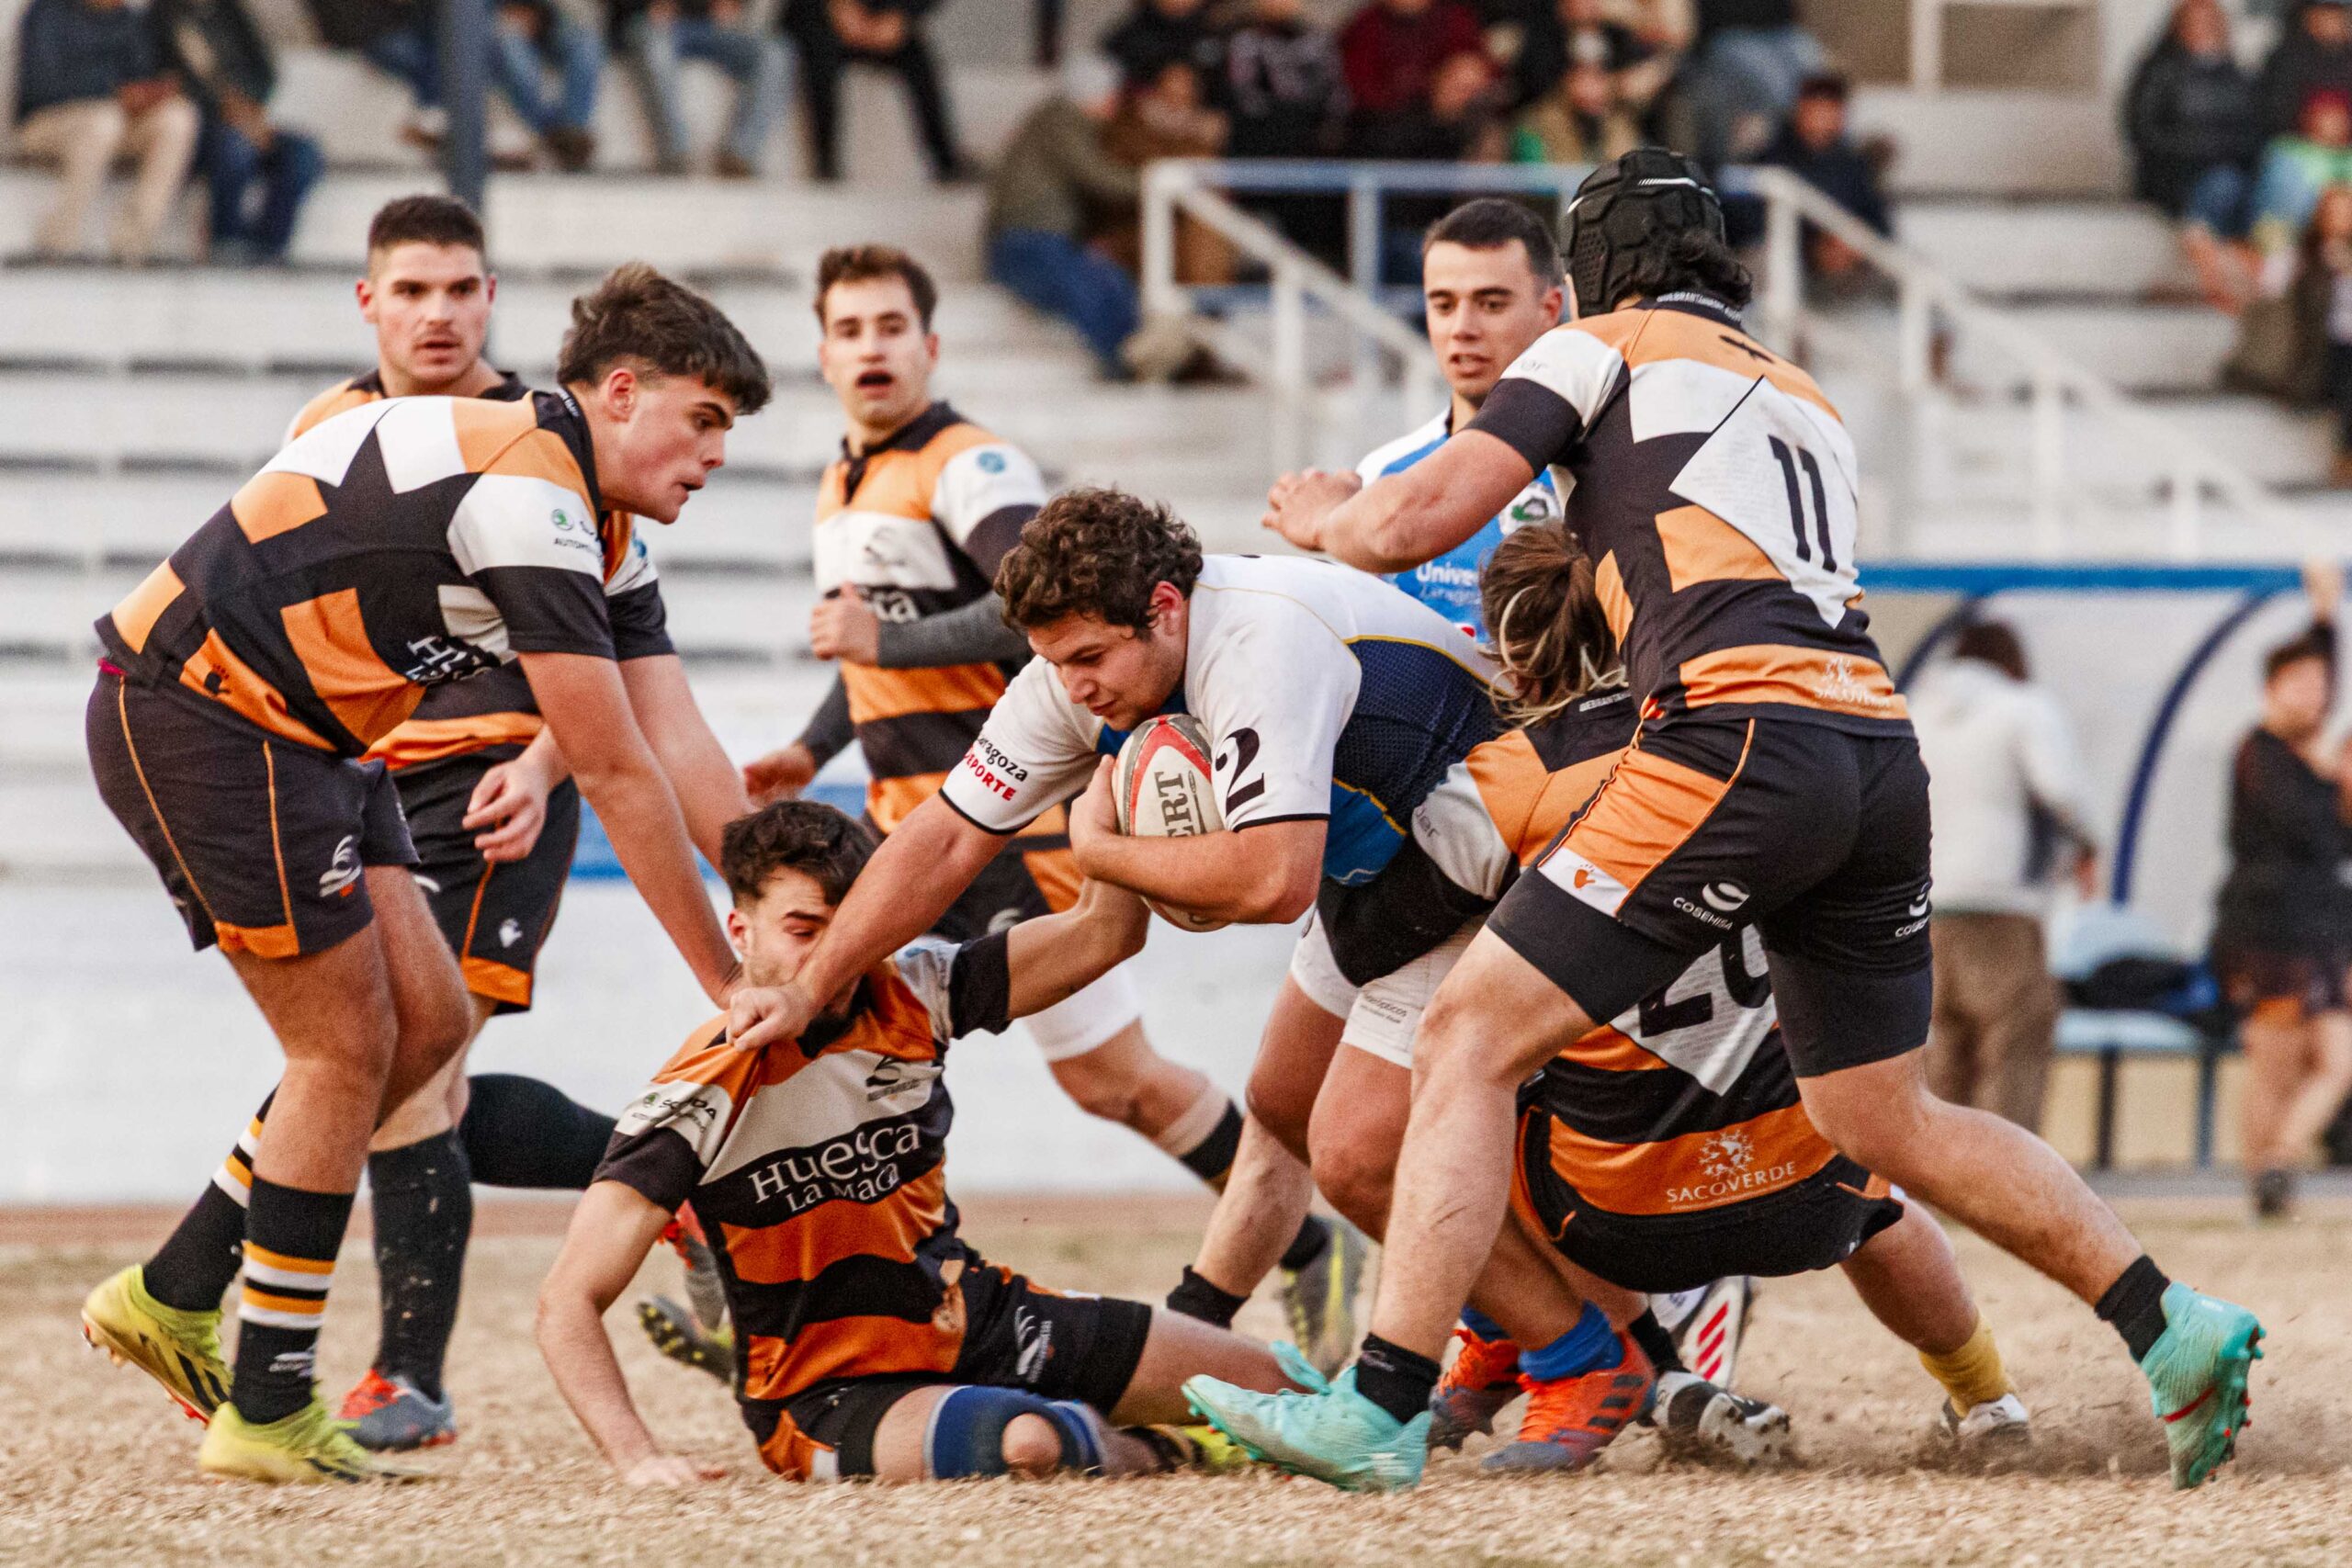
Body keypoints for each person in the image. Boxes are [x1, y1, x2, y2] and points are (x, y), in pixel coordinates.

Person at [1197, 146, 2263, 1494]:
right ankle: (2170, 1322)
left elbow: (1421, 519)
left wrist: (1325, 521)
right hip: (1877, 747)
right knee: (1885, 1115)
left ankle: (1385, 1401)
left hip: (1733, 733)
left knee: (1466, 1035)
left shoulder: (1599, 348)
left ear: (1586, 277)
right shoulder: (1802, 391)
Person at [77, 261, 771, 1484]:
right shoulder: (534, 495)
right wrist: (732, 977)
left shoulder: (593, 515)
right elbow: (615, 773)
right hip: (202, 710)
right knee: (343, 1049)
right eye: (704, 417)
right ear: (620, 392)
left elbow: (682, 742)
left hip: (311, 737)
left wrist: (772, 905)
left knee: (429, 1021)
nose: (718, 452)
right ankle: (269, 1398)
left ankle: (176, 1291)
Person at [723, 247, 1352, 1371]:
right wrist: (813, 743)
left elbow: (1029, 611)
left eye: (890, 325)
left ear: (930, 344)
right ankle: (782, 1269)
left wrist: (893, 640)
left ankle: (1299, 1246)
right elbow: (878, 653)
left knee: (1090, 1072)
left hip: (1007, 836)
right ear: (820, 352)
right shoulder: (846, 479)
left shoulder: (966, 464)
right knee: (871, 1022)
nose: (870, 345)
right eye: (849, 327)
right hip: (918, 818)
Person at [722, 491, 1506, 1379]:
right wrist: (808, 982)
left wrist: (1102, 848)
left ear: (1165, 608)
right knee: (1283, 1101)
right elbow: (944, 837)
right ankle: (1211, 1332)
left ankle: (1577, 1354)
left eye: (1090, 656)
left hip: (1482, 856)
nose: (1076, 685)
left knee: (1355, 1151)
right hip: (1379, 872)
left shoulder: (1256, 641)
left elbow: (1272, 878)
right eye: (1055, 661)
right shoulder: (1074, 675)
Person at [269, 196, 752, 1450]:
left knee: (397, 1060)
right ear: (367, 302)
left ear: (493, 300)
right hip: (361, 777)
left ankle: (392, 1372)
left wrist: (547, 764)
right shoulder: (330, 428)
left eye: (462, 289)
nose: (439, 313)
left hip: (494, 778)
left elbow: (618, 694)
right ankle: (673, 1180)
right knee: (390, 1063)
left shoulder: (565, 452)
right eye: (412, 290)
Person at [1418, 524, 2030, 1472]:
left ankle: (1638, 1377)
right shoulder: (1765, 753)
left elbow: (1390, 922)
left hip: (1612, 1213)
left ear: (1513, 646)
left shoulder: (1509, 780)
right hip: (1809, 1186)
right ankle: (1989, 1401)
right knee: (1882, 1196)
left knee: (1458, 1103)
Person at [537, 799, 1306, 1483]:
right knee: (1030, 1444)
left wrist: (1108, 783)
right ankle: (1171, 1450)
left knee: (1287, 1389)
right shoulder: (700, 1092)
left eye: (850, 931)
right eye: (802, 930)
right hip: (829, 1395)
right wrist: (638, 1457)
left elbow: (1104, 933)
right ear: (741, 930)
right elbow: (567, 1299)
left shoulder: (914, 989)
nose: (828, 961)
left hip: (982, 1319)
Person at [1909, 620, 2095, 1135]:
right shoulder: (2024, 707)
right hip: (2002, 903)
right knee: (2013, 1045)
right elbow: (2062, 791)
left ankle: (1938, 1184)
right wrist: (2089, 844)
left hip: (1924, 902)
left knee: (1942, 1048)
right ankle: (2004, 1183)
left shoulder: (1914, 708)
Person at [2211, 564, 2352, 1219]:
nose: (2317, 695)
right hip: (2267, 934)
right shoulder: (2259, 753)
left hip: (2319, 934)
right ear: (2271, 688)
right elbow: (2304, 823)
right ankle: (2263, 1186)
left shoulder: (2306, 757)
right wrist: (2331, 782)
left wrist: (2327, 613)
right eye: (2301, 683)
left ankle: (2282, 1156)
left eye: (2323, 686)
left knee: (2337, 1058)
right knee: (2274, 1067)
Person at [985, 65, 1151, 378]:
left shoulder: (1062, 122)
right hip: (1021, 244)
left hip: (1046, 242)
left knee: (1112, 282)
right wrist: (1155, 183)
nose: (1115, 104)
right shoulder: (1060, 119)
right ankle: (1124, 364)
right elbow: (1097, 176)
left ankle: (1135, 358)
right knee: (1085, 284)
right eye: (1112, 95)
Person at [11, 0, 200, 262]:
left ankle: (134, 240)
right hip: (48, 123)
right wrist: (114, 93)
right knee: (104, 120)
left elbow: (142, 75)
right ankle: (59, 238)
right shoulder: (47, 11)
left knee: (178, 117)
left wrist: (150, 94)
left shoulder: (130, 21)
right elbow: (41, 87)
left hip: (116, 122)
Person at [153, 0, 322, 264]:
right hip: (201, 126)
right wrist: (222, 106)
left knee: (304, 153)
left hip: (248, 117)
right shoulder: (165, 16)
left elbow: (265, 71)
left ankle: (270, 245)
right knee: (235, 148)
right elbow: (165, 80)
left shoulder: (228, 11)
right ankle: (225, 240)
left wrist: (247, 103)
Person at [2123, 0, 2263, 310]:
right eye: (2193, 23)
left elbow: (2251, 131)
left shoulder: (2236, 75)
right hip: (2172, 175)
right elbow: (2143, 132)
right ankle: (2215, 279)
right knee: (2222, 188)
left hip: (2228, 172)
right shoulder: (2157, 71)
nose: (2201, 31)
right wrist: (2201, 149)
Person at [357, 0, 603, 170]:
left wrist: (529, 15)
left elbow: (539, 12)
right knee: (504, 44)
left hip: (519, 25)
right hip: (456, 31)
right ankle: (557, 137)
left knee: (584, 42)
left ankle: (567, 132)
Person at [780, 0, 966, 183]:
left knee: (918, 61)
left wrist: (901, 16)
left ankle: (946, 162)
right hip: (817, 17)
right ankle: (825, 163)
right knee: (820, 56)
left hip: (881, 17)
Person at [609, 0, 791, 176]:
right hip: (658, 24)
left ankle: (740, 155)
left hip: (718, 25)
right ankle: (677, 153)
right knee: (655, 49)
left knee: (776, 53)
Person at [1757, 73, 1890, 288]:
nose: (1824, 118)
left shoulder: (1852, 165)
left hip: (1849, 274)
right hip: (1793, 274)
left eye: (1831, 109)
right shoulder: (1770, 161)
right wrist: (1813, 249)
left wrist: (1854, 245)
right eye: (1818, 109)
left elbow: (1879, 221)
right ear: (1802, 108)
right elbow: (1754, 222)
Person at [2250, 89, 2352, 255]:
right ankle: (2277, 254)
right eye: (2322, 113)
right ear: (2307, 117)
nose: (2328, 120)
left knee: (2340, 204)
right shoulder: (2286, 148)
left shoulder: (2348, 155)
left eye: (2334, 114)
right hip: (2294, 228)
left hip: (2342, 228)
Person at [2256, 0, 2352, 141]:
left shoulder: (2347, 58)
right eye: (2326, 12)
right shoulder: (2286, 59)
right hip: (2296, 144)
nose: (2333, 20)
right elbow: (2271, 112)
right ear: (2309, 16)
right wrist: (2309, 122)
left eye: (2337, 13)